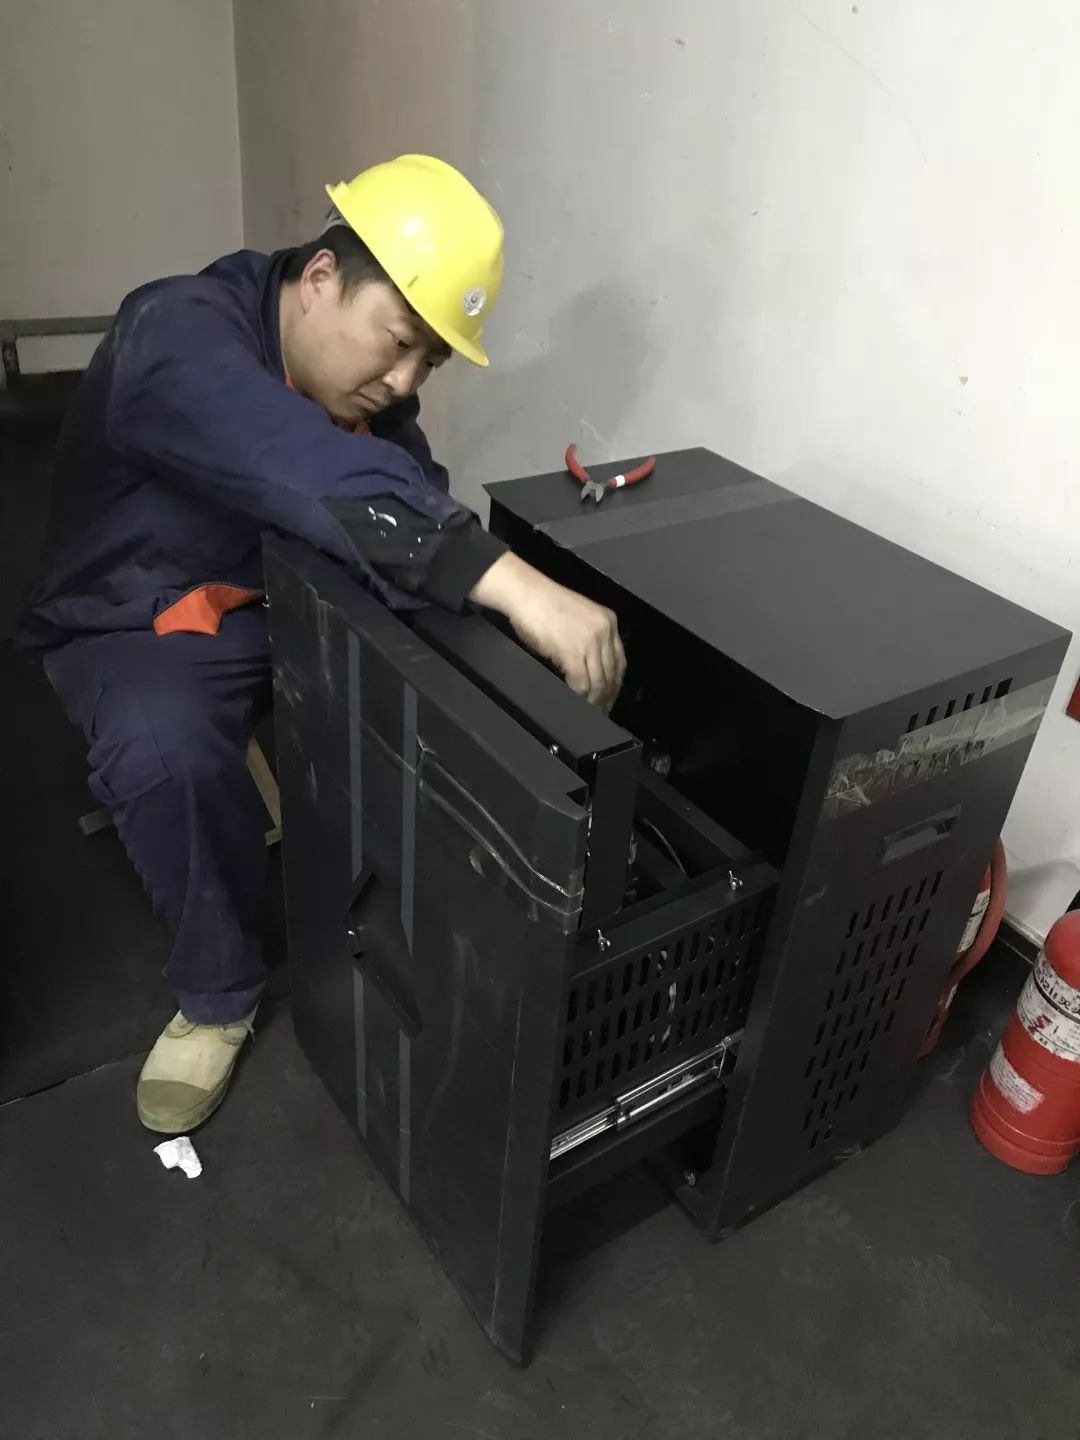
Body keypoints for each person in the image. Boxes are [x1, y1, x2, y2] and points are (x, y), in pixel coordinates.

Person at [16, 154, 624, 1135]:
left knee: (432, 650)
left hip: (280, 585)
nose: (403, 381)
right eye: (400, 343)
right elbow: (299, 465)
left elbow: (405, 489)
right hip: (142, 613)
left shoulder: (364, 386)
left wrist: (500, 632)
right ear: (320, 278)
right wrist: (514, 583)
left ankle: (423, 913)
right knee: (162, 746)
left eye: (428, 363)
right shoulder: (173, 334)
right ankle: (220, 989)